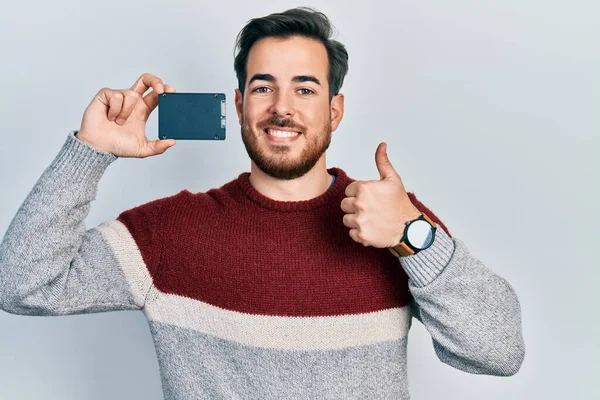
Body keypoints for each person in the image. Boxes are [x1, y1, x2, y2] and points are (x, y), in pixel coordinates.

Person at [0, 7, 525, 399]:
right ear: (239, 103)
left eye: (304, 89)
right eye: (262, 87)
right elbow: (23, 285)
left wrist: (415, 235)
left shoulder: (390, 219)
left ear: (335, 110)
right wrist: (87, 154)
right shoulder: (170, 232)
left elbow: (498, 353)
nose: (281, 108)